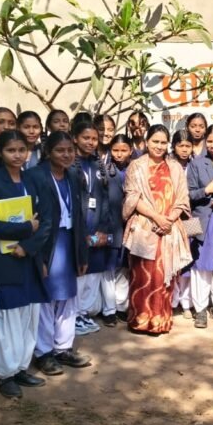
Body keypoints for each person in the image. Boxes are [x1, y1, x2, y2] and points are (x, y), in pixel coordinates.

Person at [0, 129, 52, 398]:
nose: (17, 155)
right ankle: (5, 374)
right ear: (0, 152)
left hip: (28, 259)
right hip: (3, 260)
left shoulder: (33, 180)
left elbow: (46, 220)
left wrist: (28, 247)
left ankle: (21, 368)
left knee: (29, 316)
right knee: (6, 321)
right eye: (11, 150)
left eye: (21, 150)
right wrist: (24, 229)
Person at [27, 130, 92, 376]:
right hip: (48, 243)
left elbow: (80, 216)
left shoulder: (73, 175)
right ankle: (43, 353)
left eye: (69, 150)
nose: (66, 155)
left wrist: (82, 253)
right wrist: (38, 257)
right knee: (46, 299)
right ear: (48, 152)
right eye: (59, 150)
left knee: (68, 298)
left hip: (69, 240)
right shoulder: (35, 176)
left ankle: (63, 347)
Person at [122, 125, 192, 335]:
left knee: (164, 276)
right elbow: (132, 197)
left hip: (168, 231)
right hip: (145, 228)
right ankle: (140, 320)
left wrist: (168, 220)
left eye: (163, 142)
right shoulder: (136, 166)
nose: (159, 146)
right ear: (147, 141)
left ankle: (160, 321)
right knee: (142, 275)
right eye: (155, 141)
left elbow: (182, 198)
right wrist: (157, 217)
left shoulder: (175, 168)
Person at [69, 117, 116, 332]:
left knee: (94, 272)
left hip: (96, 227)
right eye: (85, 138)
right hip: (78, 229)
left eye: (94, 139)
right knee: (79, 272)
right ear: (75, 139)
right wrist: (81, 233)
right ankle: (74, 316)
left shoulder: (97, 164)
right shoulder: (69, 165)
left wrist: (103, 229)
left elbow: (105, 199)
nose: (90, 142)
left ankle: (83, 313)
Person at [187, 124, 213, 328]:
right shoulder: (196, 163)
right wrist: (206, 190)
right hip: (200, 220)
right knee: (200, 266)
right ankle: (200, 309)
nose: (212, 145)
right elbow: (188, 194)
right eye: (209, 141)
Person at [100, 133, 133, 325]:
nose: (119, 154)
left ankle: (121, 306)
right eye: (115, 150)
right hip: (111, 225)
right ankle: (109, 309)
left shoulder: (135, 170)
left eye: (124, 150)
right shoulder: (104, 170)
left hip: (129, 226)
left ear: (130, 151)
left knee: (124, 267)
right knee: (109, 269)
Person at [169, 130, 195, 316]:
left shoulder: (196, 165)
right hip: (172, 217)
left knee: (187, 258)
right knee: (172, 259)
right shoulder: (167, 165)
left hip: (191, 218)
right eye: (181, 146)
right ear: (174, 146)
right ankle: (172, 301)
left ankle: (186, 303)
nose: (184, 150)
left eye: (188, 146)